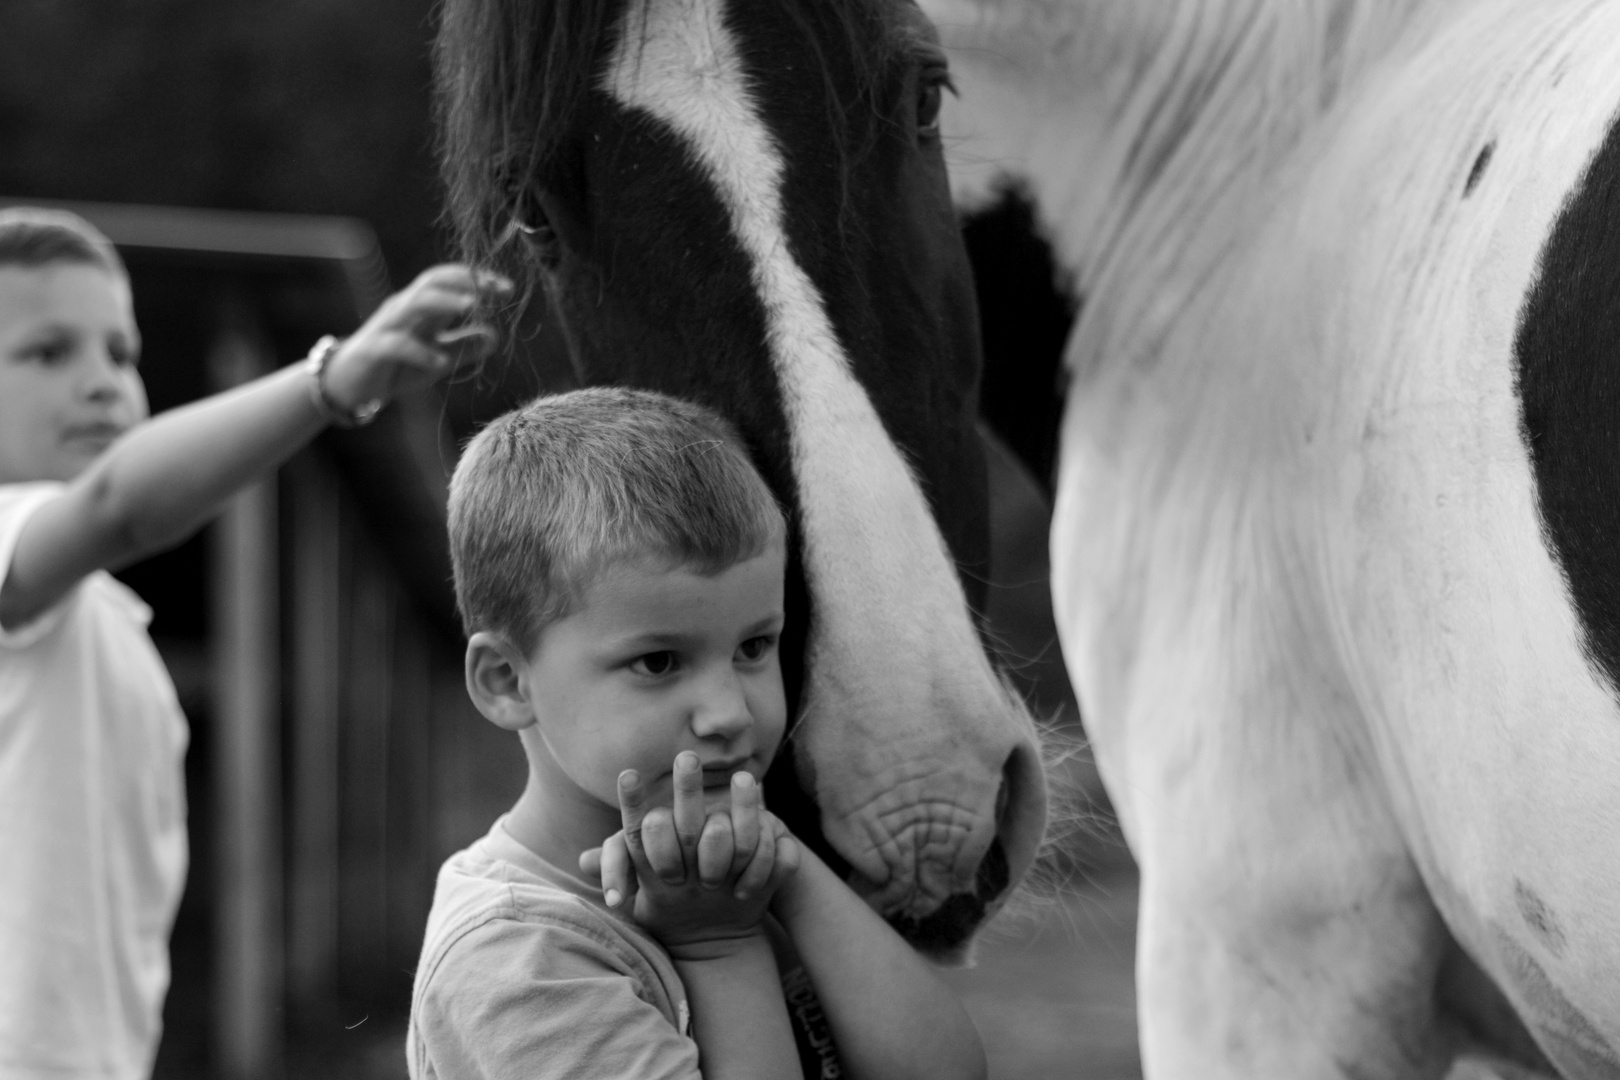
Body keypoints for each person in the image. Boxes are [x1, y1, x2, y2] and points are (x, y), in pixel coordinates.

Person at [0, 205, 507, 1079]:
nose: (102, 382)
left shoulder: (96, 620)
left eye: (120, 353)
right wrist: (333, 381)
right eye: (50, 351)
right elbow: (120, 502)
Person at [409, 386, 987, 1080]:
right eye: (658, 662)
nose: (730, 714)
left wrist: (789, 877)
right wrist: (719, 943)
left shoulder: (745, 866)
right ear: (506, 680)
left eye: (753, 647)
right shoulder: (517, 964)